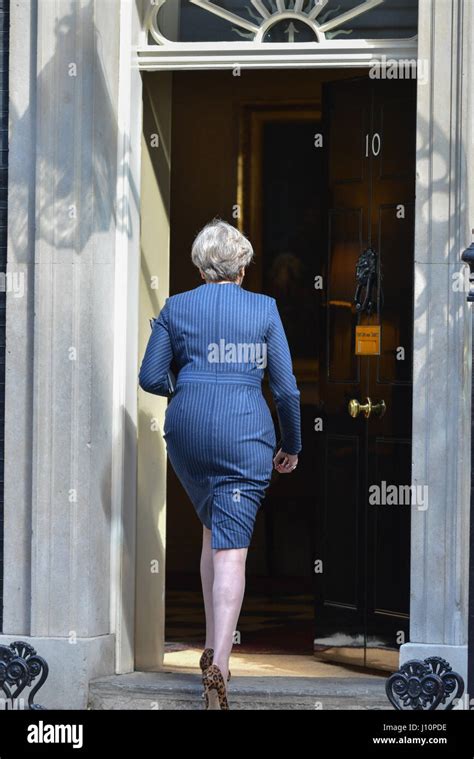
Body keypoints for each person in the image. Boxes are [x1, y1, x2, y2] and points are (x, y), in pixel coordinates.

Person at [138, 219, 302, 709]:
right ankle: (221, 667)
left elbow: (150, 377)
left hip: (187, 434)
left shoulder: (176, 307)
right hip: (243, 434)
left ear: (200, 264)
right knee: (233, 549)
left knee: (215, 526)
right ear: (244, 267)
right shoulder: (264, 309)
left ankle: (210, 645)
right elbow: (287, 389)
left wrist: (187, 387)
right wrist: (292, 444)